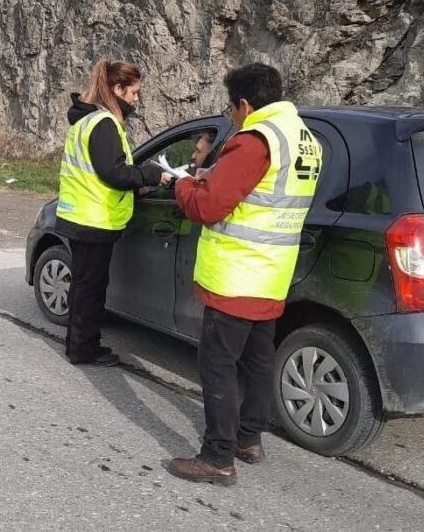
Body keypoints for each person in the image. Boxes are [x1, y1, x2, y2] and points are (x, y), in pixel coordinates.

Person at [168, 63, 322, 486]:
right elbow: (268, 191)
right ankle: (248, 440)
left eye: (231, 108)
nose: (231, 117)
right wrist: (214, 175)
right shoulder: (304, 139)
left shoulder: (255, 140)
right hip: (273, 274)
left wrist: (183, 184)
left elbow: (207, 208)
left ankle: (216, 457)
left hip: (236, 275)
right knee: (257, 361)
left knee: (218, 365)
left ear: (245, 104)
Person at [56, 59, 172, 366]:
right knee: (90, 289)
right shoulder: (104, 124)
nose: (136, 100)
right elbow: (113, 172)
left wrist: (135, 187)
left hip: (81, 216)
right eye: (133, 92)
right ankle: (84, 349)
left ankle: (77, 345)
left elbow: (99, 173)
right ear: (117, 89)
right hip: (94, 220)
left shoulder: (86, 121)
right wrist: (148, 175)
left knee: (84, 286)